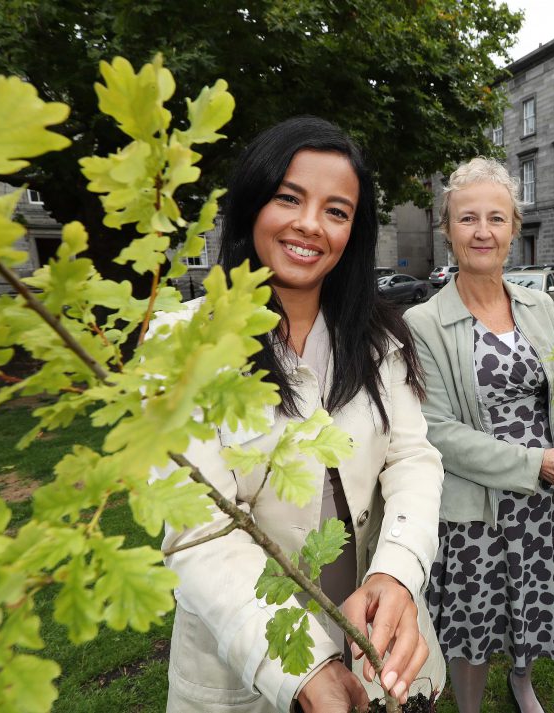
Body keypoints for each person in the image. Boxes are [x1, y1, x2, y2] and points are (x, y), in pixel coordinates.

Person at [152, 116, 445, 713]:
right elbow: (201, 531)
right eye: (289, 197)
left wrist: (398, 572)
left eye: (337, 211)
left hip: (371, 635)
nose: (311, 224)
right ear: (253, 204)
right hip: (248, 654)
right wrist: (300, 666)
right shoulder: (182, 346)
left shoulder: (377, 339)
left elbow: (413, 458)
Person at [404, 157, 554, 713]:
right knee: (475, 619)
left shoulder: (540, 305)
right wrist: (536, 465)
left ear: (514, 228)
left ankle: (523, 682)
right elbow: (437, 431)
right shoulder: (423, 323)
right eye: (468, 219)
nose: (483, 231)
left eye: (497, 218)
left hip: (545, 499)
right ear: (448, 231)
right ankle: (471, 707)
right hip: (479, 502)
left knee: (531, 600)